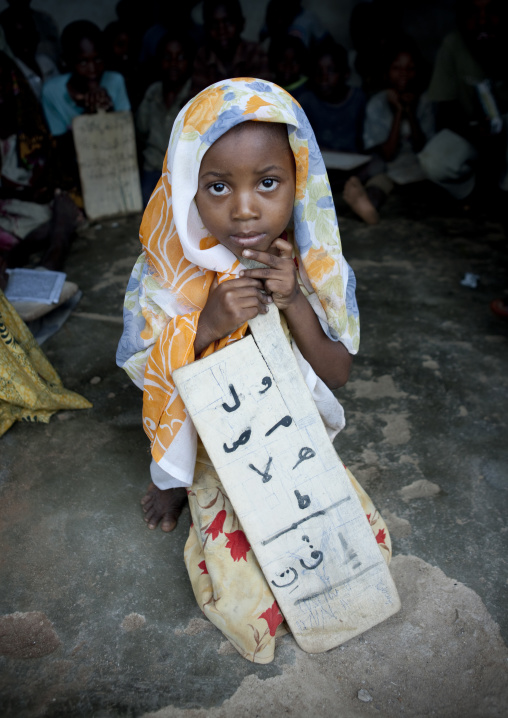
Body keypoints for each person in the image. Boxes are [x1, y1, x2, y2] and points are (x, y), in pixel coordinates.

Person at [117, 78, 391, 663]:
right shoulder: (166, 275)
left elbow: (337, 373)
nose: (244, 209)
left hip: (290, 445)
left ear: (299, 181)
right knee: (246, 603)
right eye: (217, 187)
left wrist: (293, 300)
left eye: (268, 183)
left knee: (360, 552)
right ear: (186, 188)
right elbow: (148, 375)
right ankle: (175, 483)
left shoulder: (306, 266)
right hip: (219, 455)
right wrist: (205, 324)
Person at [419, 0, 508, 205]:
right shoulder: (453, 46)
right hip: (473, 130)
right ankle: (474, 196)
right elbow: (445, 114)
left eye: (492, 10)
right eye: (473, 12)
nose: (483, 20)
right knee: (434, 160)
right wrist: (477, 133)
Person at [0, 51, 81, 270]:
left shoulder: (25, 118)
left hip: (26, 203)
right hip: (9, 204)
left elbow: (48, 162)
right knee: (53, 220)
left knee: (55, 209)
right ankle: (53, 241)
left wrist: (43, 187)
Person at [41, 20, 131, 203]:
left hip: (114, 168)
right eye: (83, 62)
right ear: (66, 61)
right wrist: (88, 121)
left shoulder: (115, 81)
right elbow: (61, 151)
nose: (92, 70)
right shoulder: (52, 92)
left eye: (98, 59)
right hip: (74, 171)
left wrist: (109, 114)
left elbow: (127, 142)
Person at [136, 33, 193, 206]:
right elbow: (141, 129)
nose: (173, 63)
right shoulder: (153, 92)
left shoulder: (195, 94)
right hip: (153, 168)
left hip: (185, 172)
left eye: (181, 57)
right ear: (158, 61)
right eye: (167, 57)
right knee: (148, 214)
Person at [191, 0, 270, 95]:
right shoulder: (203, 56)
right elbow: (198, 100)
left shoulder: (255, 53)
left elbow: (263, 96)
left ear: (241, 24)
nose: (221, 30)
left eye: (228, 22)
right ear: (206, 29)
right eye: (214, 24)